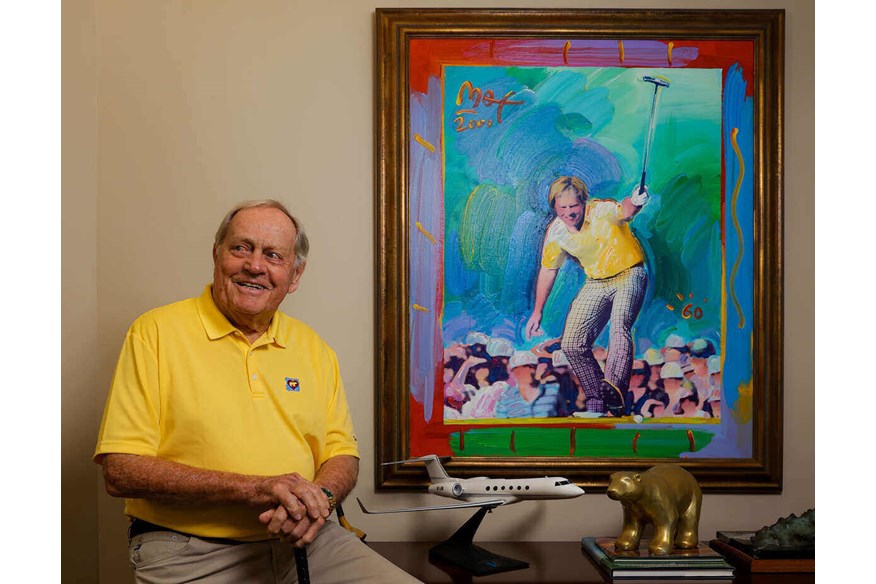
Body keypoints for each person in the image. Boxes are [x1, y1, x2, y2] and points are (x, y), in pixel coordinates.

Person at [93, 201, 420, 583]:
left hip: (308, 541)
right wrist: (258, 489)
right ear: (217, 254)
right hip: (189, 550)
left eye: (273, 255)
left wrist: (320, 500)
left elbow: (342, 453)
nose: (255, 266)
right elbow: (121, 470)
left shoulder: (315, 348)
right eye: (241, 248)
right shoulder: (155, 332)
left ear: (294, 275)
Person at [525, 176, 650, 417]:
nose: (569, 213)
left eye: (574, 206)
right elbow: (549, 270)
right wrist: (537, 311)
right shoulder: (556, 232)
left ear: (584, 203)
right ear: (555, 207)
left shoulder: (602, 210)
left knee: (620, 326)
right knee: (572, 342)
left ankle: (615, 388)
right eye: (563, 208)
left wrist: (636, 200)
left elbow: (625, 210)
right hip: (597, 282)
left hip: (629, 273)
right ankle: (597, 400)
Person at [495, 351, 562, 418]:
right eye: (516, 370)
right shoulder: (506, 398)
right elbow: (500, 425)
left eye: (533, 367)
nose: (518, 373)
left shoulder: (553, 391)